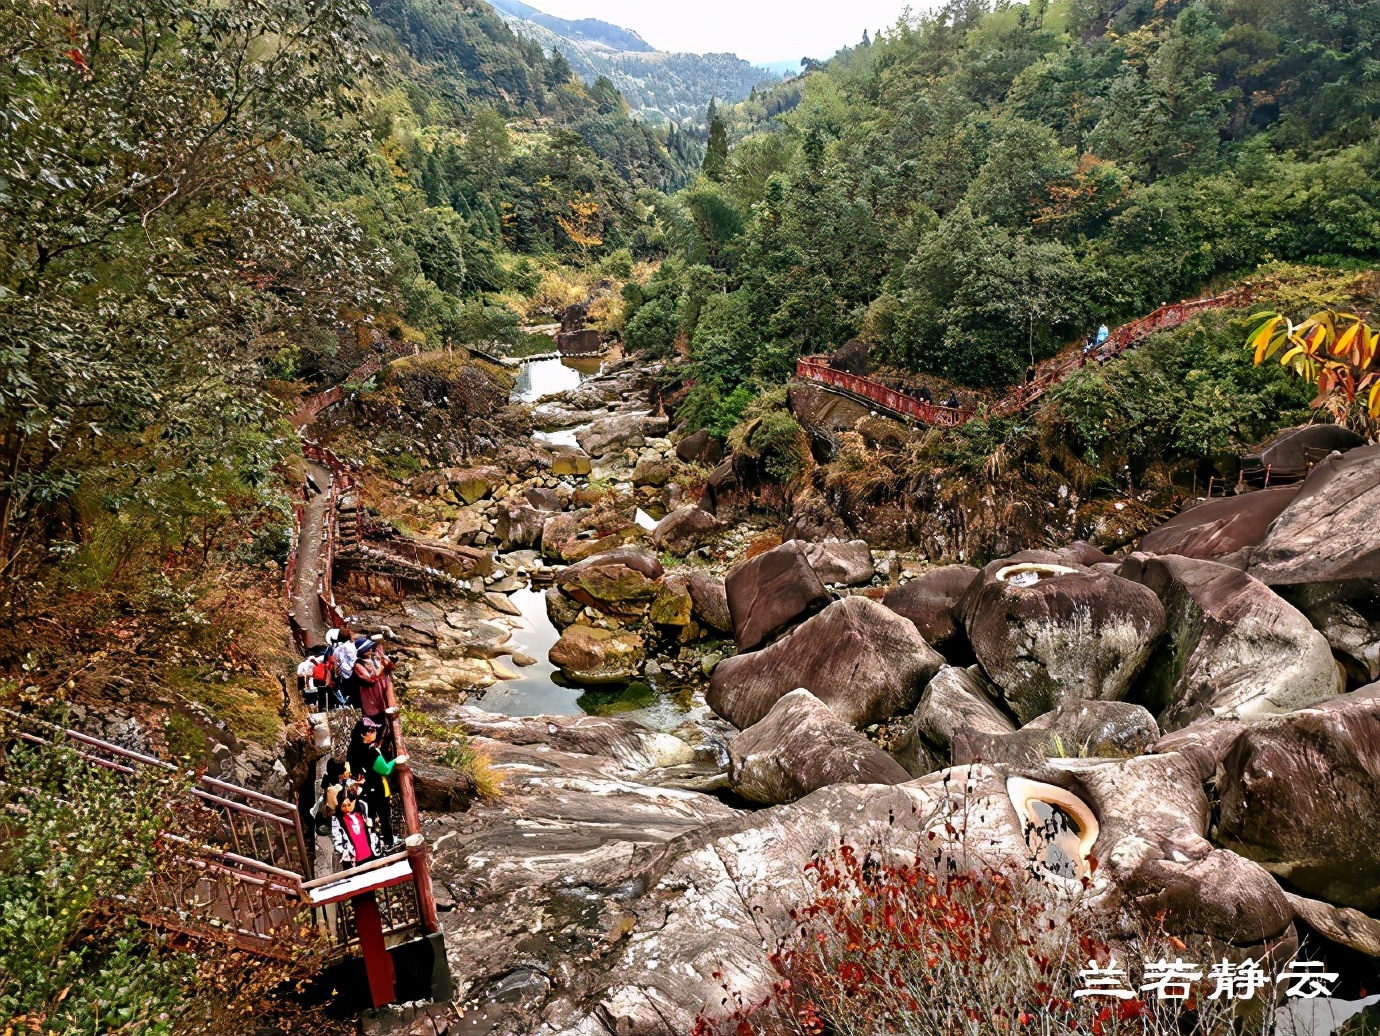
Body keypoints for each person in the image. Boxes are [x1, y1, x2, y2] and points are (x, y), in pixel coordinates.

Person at [347, 717, 408, 848]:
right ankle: (389, 842)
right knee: (384, 816)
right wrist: (396, 760)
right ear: (364, 733)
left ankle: (370, 843)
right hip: (377, 788)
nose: (376, 732)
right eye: (372, 730)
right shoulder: (371, 752)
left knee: (369, 817)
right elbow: (385, 770)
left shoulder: (353, 748)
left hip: (364, 789)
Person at [331, 787, 379, 868]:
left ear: (354, 801)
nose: (346, 808)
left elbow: (372, 829)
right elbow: (337, 839)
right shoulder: (337, 819)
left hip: (370, 853)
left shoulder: (363, 809)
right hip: (353, 860)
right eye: (343, 806)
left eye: (349, 805)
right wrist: (344, 852)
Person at [354, 637, 398, 725]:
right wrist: (381, 667)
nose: (370, 649)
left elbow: (388, 669)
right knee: (375, 714)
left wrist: (388, 663)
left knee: (388, 709)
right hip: (371, 691)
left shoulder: (375, 657)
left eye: (370, 647)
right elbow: (370, 679)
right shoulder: (358, 664)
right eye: (368, 649)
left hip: (382, 687)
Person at [329, 626, 359, 710]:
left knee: (348, 698)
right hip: (354, 675)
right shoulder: (353, 647)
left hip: (343, 678)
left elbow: (335, 665)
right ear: (349, 637)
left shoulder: (336, 650)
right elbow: (355, 661)